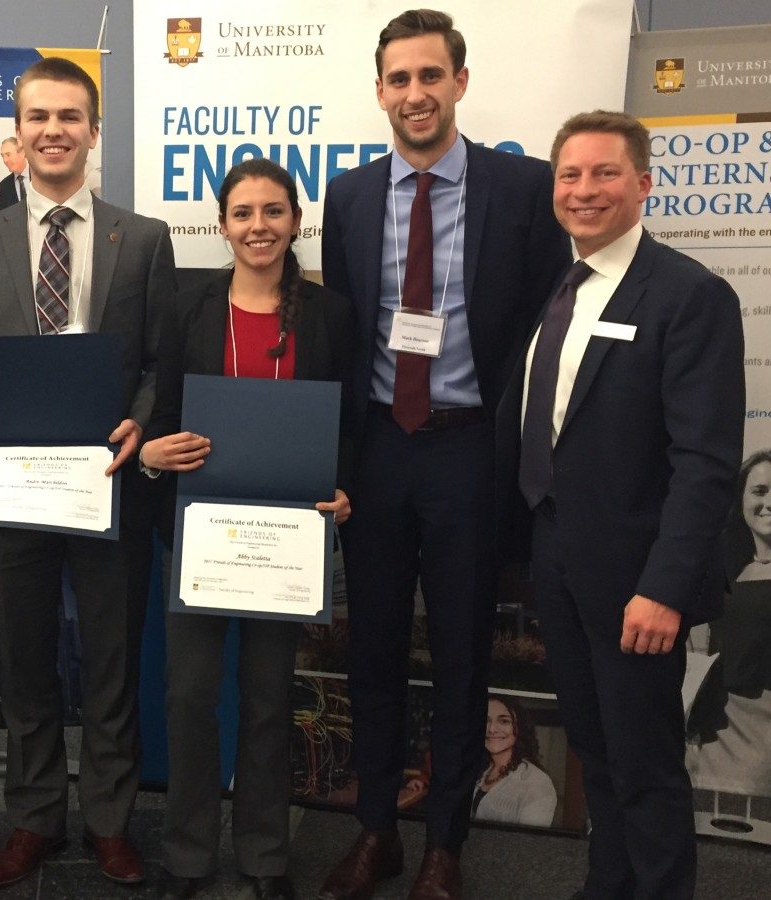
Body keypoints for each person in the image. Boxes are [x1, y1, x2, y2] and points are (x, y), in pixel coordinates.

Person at [319, 10, 566, 899]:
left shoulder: (524, 188)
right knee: (374, 651)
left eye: (431, 76)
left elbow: (545, 325)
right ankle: (378, 831)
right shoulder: (348, 197)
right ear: (379, 89)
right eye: (398, 79)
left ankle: (445, 846)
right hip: (381, 449)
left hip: (470, 452)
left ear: (460, 81)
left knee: (463, 655)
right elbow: (344, 332)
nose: (414, 94)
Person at [498, 110, 744, 899]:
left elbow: (705, 463)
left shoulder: (688, 295)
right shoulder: (559, 287)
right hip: (559, 563)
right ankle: (609, 886)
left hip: (638, 582)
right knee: (598, 753)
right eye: (569, 175)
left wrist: (665, 589)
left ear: (643, 183)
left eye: (605, 173)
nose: (584, 190)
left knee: (645, 765)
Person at [0, 56, 176, 889]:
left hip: (109, 480)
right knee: (28, 661)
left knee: (112, 660)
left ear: (92, 131)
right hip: (11, 479)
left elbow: (159, 362)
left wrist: (143, 421)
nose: (54, 131)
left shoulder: (142, 237)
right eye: (38, 117)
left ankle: (109, 822)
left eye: (70, 116)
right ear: (16, 136)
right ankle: (36, 818)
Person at [139, 158, 353, 900]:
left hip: (289, 540)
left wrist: (344, 489)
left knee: (268, 699)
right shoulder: (190, 306)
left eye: (272, 211)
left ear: (295, 221)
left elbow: (348, 425)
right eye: (242, 213)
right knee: (190, 696)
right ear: (222, 224)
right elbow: (162, 412)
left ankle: (265, 856)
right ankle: (189, 854)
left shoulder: (329, 314)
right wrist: (152, 452)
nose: (257, 226)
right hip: (201, 532)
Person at [686, 450, 771, 803]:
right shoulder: (729, 567)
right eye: (760, 491)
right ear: (741, 499)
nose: (768, 503)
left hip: (762, 735)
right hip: (713, 730)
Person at [472, 695, 557, 828]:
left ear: (519, 728)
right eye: (486, 720)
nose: (492, 729)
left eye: (504, 721)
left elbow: (528, 843)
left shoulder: (536, 783)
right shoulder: (476, 770)